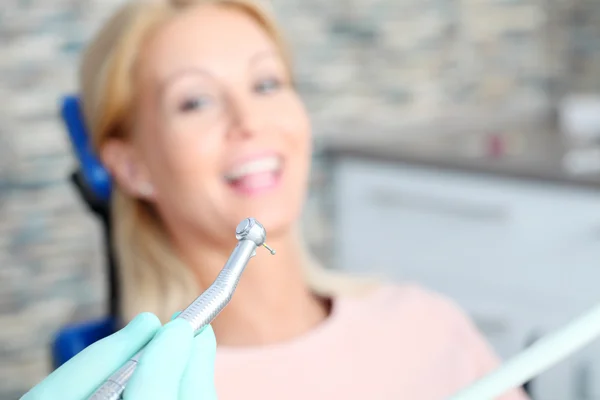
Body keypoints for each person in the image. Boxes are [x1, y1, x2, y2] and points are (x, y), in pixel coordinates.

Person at [23, 0, 530, 399]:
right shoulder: (146, 387)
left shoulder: (427, 323)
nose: (250, 122)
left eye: (266, 83)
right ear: (132, 168)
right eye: (195, 100)